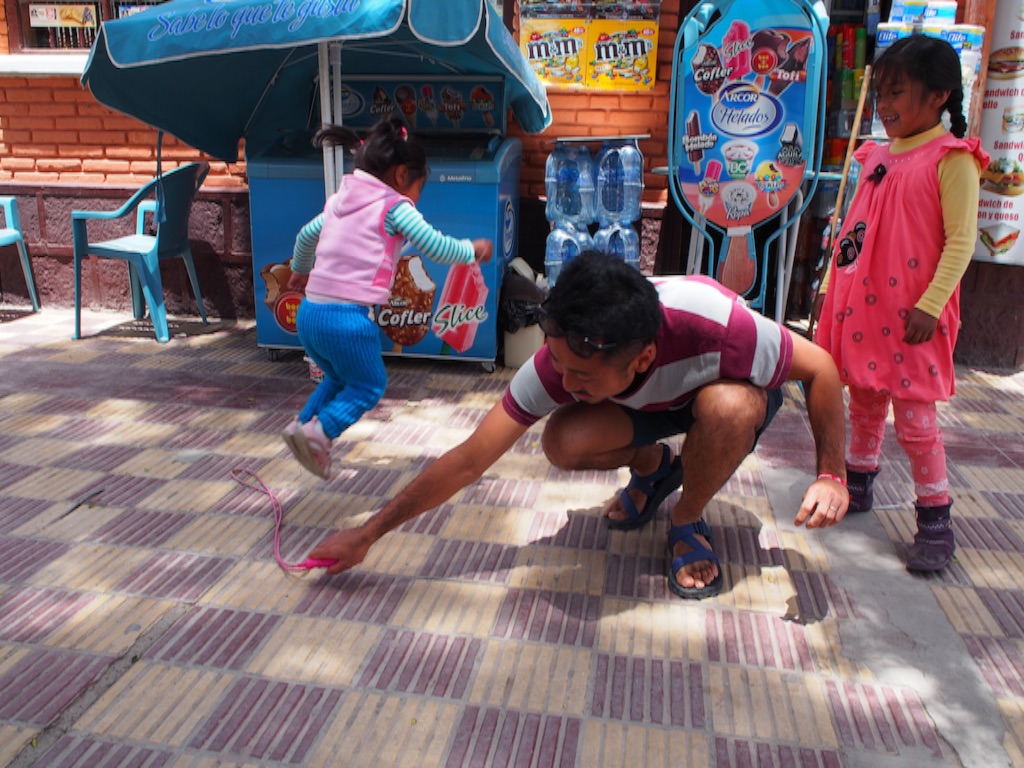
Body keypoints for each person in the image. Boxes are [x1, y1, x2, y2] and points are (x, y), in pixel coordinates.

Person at [309, 250, 850, 600]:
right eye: (558, 362)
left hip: (724, 396)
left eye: (581, 375)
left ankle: (687, 519)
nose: (563, 382)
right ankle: (656, 470)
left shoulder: (719, 323)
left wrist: (830, 475)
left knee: (727, 409)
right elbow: (470, 459)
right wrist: (368, 533)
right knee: (563, 439)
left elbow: (821, 367)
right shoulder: (560, 361)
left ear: (640, 359)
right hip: (649, 404)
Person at [812, 35, 988, 572]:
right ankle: (859, 481)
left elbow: (960, 242)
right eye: (881, 93)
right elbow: (857, 229)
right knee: (864, 400)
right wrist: (833, 289)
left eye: (898, 92)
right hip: (865, 308)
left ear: (938, 96)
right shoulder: (875, 155)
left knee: (915, 420)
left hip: (915, 316)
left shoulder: (952, 159)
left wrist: (932, 305)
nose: (884, 105)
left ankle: (935, 519)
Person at [282, 116, 493, 479]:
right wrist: (471, 249)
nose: (417, 198)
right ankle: (319, 433)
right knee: (368, 384)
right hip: (347, 320)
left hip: (310, 313)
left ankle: (301, 426)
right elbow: (436, 246)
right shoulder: (394, 207)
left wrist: (300, 270)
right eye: (419, 189)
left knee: (338, 378)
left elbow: (305, 237)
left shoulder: (338, 201)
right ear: (401, 177)